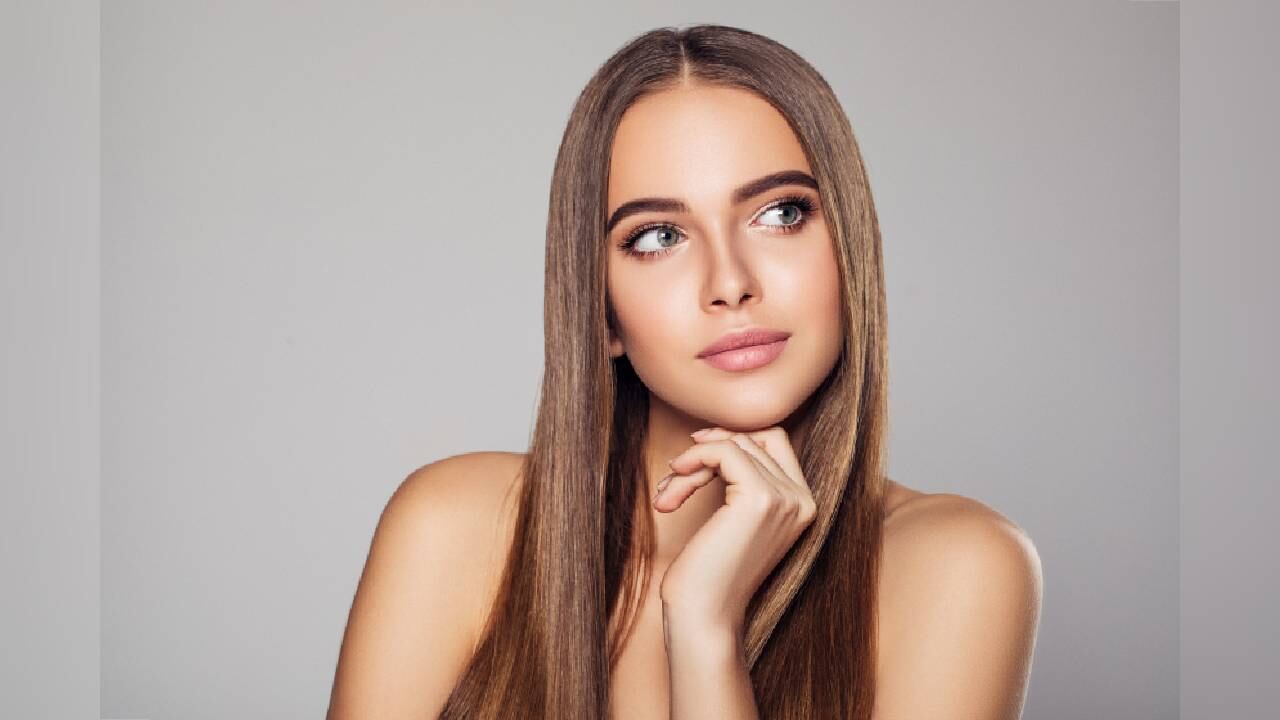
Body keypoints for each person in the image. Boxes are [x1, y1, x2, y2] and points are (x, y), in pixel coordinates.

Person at [326, 23, 1042, 720]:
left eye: (781, 214)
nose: (730, 283)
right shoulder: (458, 528)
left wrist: (704, 628)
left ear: (851, 248)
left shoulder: (957, 566)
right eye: (659, 236)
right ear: (602, 312)